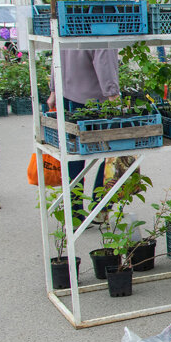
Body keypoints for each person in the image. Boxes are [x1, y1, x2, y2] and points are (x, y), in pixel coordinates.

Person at [46, 48, 120, 217]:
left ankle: (74, 211)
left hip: (66, 94)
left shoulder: (67, 21)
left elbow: (56, 52)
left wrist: (53, 90)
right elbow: (104, 57)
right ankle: (100, 206)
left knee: (73, 155)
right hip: (93, 98)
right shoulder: (101, 22)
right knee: (116, 150)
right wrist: (113, 95)